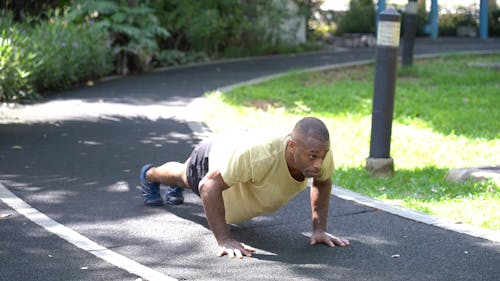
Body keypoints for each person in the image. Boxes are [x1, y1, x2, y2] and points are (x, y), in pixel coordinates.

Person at [139, 117, 349, 258]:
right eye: (313, 157)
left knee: (188, 180)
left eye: (322, 156)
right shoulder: (261, 154)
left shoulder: (318, 151)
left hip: (239, 154)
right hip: (213, 157)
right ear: (292, 147)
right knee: (183, 177)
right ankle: (150, 175)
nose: (319, 164)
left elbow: (323, 182)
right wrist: (224, 239)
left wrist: (319, 229)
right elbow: (208, 186)